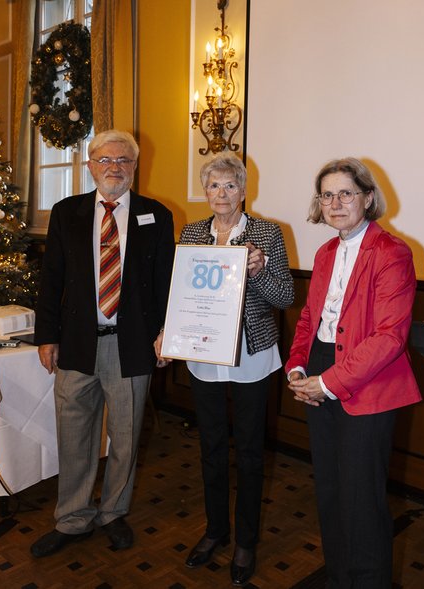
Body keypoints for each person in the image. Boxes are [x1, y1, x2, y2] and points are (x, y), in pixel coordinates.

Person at [31, 129, 175, 557]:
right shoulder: (66, 212)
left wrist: (166, 335)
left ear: (135, 167)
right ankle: (72, 517)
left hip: (131, 346)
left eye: (124, 161)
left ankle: (114, 512)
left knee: (126, 436)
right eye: (106, 160)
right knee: (74, 434)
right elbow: (51, 278)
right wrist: (46, 336)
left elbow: (166, 282)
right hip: (76, 344)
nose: (115, 167)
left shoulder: (157, 215)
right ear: (91, 165)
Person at [155, 153, 294, 586]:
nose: (221, 194)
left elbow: (285, 296)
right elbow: (181, 292)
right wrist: (167, 334)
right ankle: (215, 530)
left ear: (243, 190)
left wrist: (257, 270)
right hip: (203, 354)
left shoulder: (267, 233)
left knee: (250, 452)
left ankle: (246, 541)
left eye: (230, 186)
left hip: (251, 355)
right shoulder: (193, 232)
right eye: (214, 186)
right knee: (211, 447)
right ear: (206, 191)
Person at [286, 157, 421, 588]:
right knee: (330, 492)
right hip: (322, 367)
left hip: (370, 381)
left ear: (367, 197)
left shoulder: (392, 252)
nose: (336, 202)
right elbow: (310, 318)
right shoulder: (326, 252)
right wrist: (298, 368)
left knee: (362, 502)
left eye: (346, 193)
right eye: (327, 195)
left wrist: (327, 383)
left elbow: (388, 338)